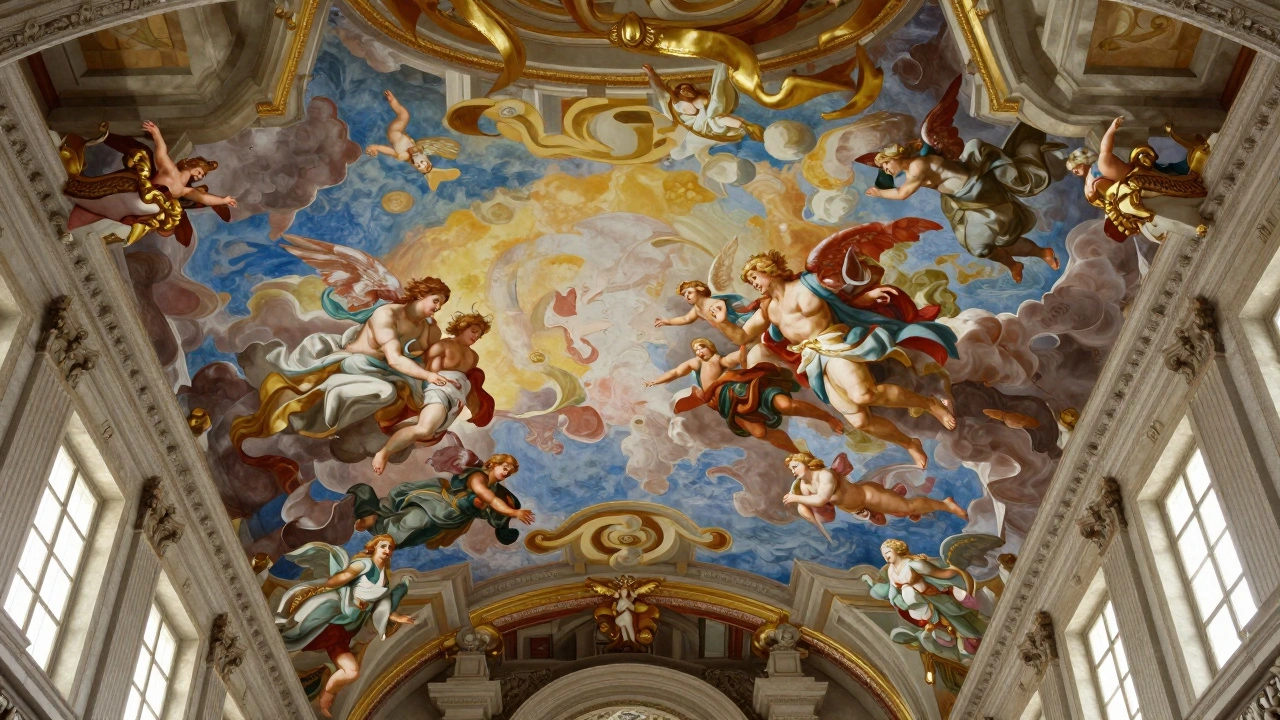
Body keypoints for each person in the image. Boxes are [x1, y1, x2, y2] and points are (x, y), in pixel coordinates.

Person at [723, 251, 957, 468]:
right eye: (749, 281)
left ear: (769, 270)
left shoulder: (809, 284)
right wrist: (721, 320)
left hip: (834, 344)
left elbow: (845, 299)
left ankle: (930, 405)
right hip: (812, 359)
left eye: (754, 276)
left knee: (864, 394)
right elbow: (742, 335)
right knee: (859, 421)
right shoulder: (767, 309)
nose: (753, 283)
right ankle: (909, 443)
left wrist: (868, 296)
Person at [865, 131, 1060, 283]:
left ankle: (1022, 260)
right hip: (963, 199)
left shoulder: (917, 167)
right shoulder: (916, 165)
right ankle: (1032, 257)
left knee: (981, 245)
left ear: (896, 157)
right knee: (992, 242)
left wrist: (878, 193)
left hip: (975, 193)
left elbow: (902, 194)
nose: (886, 170)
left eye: (885, 164)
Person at [276, 535, 416, 716]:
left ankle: (326, 694)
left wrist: (397, 617)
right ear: (374, 547)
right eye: (384, 546)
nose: (387, 550)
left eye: (390, 548)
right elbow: (343, 577)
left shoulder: (384, 580)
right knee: (294, 634)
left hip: (344, 630)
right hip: (334, 613)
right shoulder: (364, 565)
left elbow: (379, 606)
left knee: (352, 672)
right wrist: (336, 590)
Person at [645, 337, 843, 452]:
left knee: (785, 406)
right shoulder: (695, 364)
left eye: (702, 347)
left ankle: (828, 418)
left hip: (741, 390)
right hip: (726, 403)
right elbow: (676, 372)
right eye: (696, 349)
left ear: (710, 347)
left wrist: (742, 348)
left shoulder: (718, 360)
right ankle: (798, 453)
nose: (699, 351)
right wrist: (656, 380)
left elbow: (735, 359)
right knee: (759, 432)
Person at [371, 311, 492, 474]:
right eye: (474, 331)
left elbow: (466, 380)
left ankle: (396, 448)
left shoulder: (473, 356)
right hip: (439, 390)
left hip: (456, 399)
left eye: (479, 334)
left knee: (430, 434)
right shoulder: (443, 346)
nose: (476, 336)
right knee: (424, 429)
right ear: (463, 328)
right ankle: (383, 453)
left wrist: (463, 400)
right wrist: (447, 382)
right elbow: (431, 373)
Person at [347, 453, 533, 550]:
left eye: (510, 471)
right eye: (505, 467)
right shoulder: (477, 477)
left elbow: (492, 505)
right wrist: (514, 512)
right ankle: (371, 517)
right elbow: (488, 498)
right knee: (413, 521)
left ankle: (377, 525)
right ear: (493, 464)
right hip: (439, 505)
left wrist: (505, 521)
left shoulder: (496, 489)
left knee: (416, 536)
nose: (507, 472)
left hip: (450, 520)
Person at [782, 452, 966, 541]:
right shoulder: (804, 487)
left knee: (908, 507)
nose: (792, 470)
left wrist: (796, 498)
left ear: (807, 462)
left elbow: (821, 499)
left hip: (869, 496)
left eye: (794, 466)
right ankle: (918, 505)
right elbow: (820, 511)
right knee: (901, 510)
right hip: (861, 507)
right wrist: (801, 505)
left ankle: (946, 504)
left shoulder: (825, 474)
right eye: (790, 469)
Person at [861, 538, 988, 660]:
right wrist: (899, 602)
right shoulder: (891, 572)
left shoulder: (914, 564)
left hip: (935, 596)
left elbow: (940, 574)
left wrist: (957, 571)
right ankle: (962, 641)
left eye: (887, 552)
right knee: (937, 625)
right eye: (883, 555)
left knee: (954, 616)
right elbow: (893, 592)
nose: (886, 556)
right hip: (920, 604)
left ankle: (975, 635)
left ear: (896, 550)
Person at [364, 90, 462, 190]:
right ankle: (392, 100)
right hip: (399, 132)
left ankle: (392, 100)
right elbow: (427, 149)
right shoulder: (418, 150)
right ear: (426, 159)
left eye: (418, 165)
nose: (419, 162)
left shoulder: (404, 156)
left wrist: (375, 147)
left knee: (404, 115)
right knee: (404, 115)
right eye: (423, 162)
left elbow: (391, 151)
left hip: (395, 131)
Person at [654, 280, 753, 336]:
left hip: (738, 323)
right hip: (728, 330)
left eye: (689, 292)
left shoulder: (713, 302)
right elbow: (686, 319)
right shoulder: (697, 309)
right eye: (684, 295)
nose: (686, 296)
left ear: (700, 290)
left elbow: (721, 318)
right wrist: (668, 321)